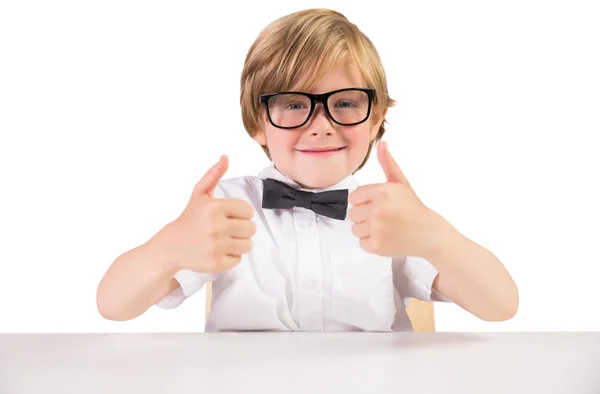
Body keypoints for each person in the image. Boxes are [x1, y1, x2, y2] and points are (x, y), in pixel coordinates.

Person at [96, 8, 518, 332]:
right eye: (295, 104)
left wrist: (435, 235)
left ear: (375, 119)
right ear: (258, 123)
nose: (321, 124)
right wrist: (168, 246)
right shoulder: (227, 210)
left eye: (346, 102)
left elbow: (500, 305)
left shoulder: (389, 215)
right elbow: (113, 306)